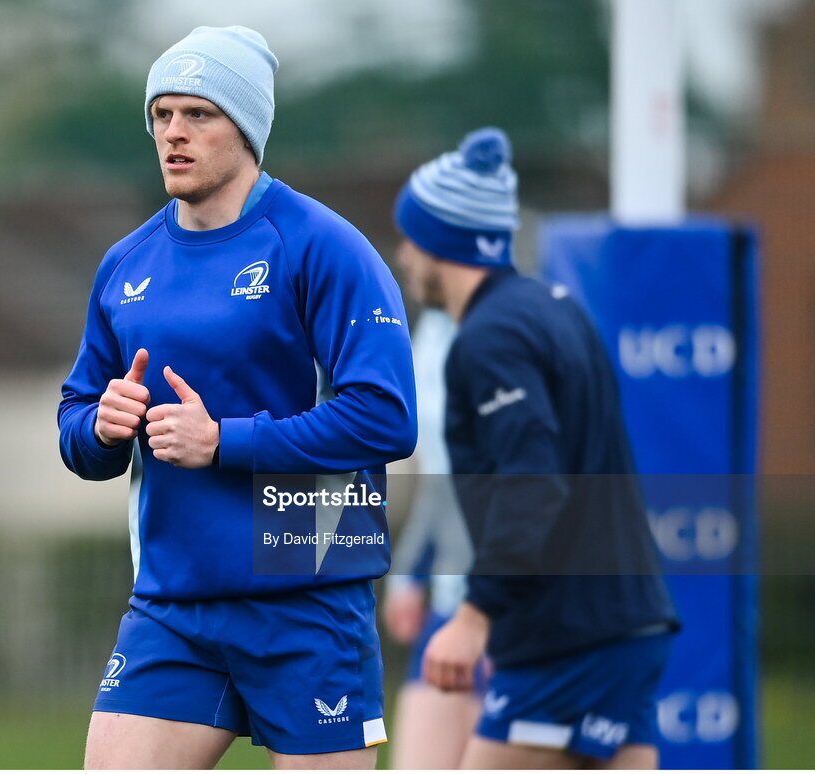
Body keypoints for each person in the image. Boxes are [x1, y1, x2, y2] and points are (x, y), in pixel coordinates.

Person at [57, 25, 417, 770]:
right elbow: (75, 420)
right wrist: (101, 426)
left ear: (247, 128)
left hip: (308, 591)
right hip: (174, 604)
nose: (173, 134)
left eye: (198, 114)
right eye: (161, 115)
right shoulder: (127, 264)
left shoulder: (322, 245)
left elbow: (386, 416)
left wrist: (224, 442)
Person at [392, 127, 679, 769]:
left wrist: (472, 617)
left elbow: (533, 485)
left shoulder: (489, 339)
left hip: (565, 642)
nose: (404, 255)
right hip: (628, 626)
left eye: (410, 237)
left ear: (441, 241)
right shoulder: (556, 309)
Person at [381, 308, 483, 769]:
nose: (404, 252)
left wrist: (508, 602)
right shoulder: (430, 331)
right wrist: (408, 573)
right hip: (449, 602)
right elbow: (441, 479)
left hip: (504, 607)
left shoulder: (512, 326)